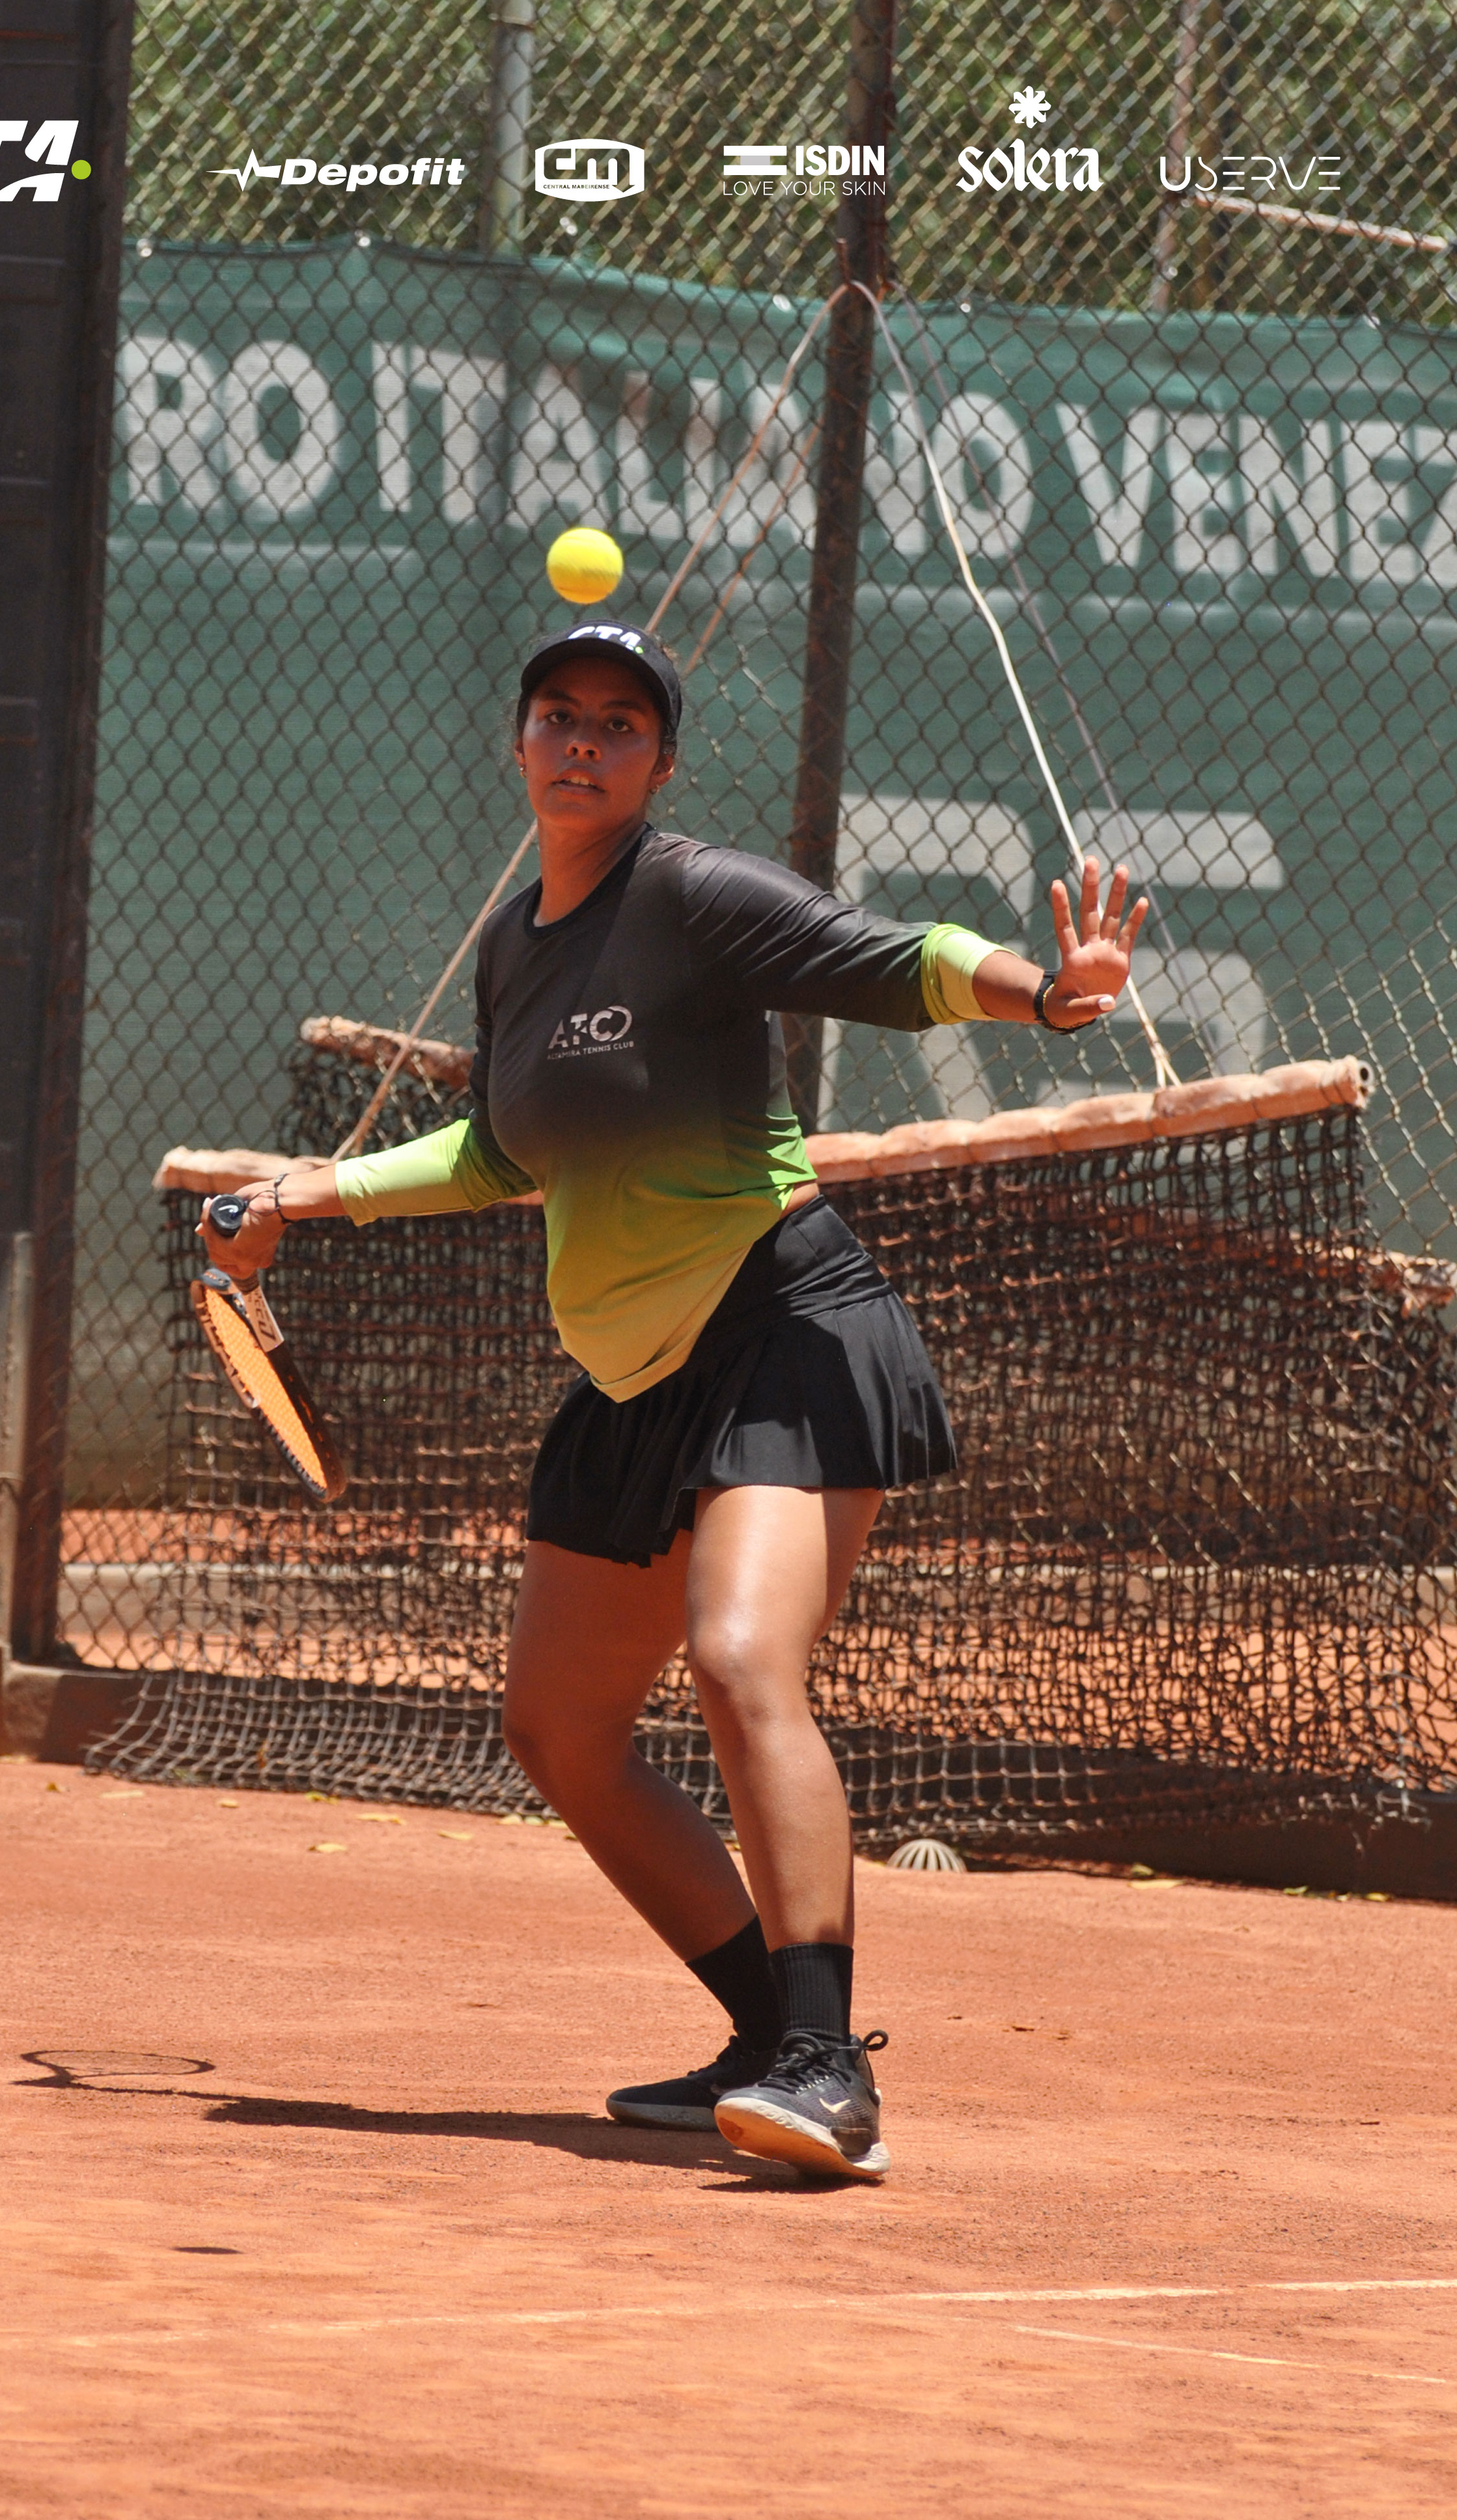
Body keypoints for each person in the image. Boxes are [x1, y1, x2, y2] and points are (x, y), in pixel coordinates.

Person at [202, 619, 1147, 2183]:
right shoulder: (516, 946)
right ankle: (763, 2025)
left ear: (659, 762)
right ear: (519, 742)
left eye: (620, 725)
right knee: (560, 1728)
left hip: (780, 1324)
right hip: (630, 1378)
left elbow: (886, 954)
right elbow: (506, 1154)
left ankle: (832, 2074)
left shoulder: (695, 895)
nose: (584, 742)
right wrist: (310, 1190)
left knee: (735, 1657)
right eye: (560, 715)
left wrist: (1046, 993)